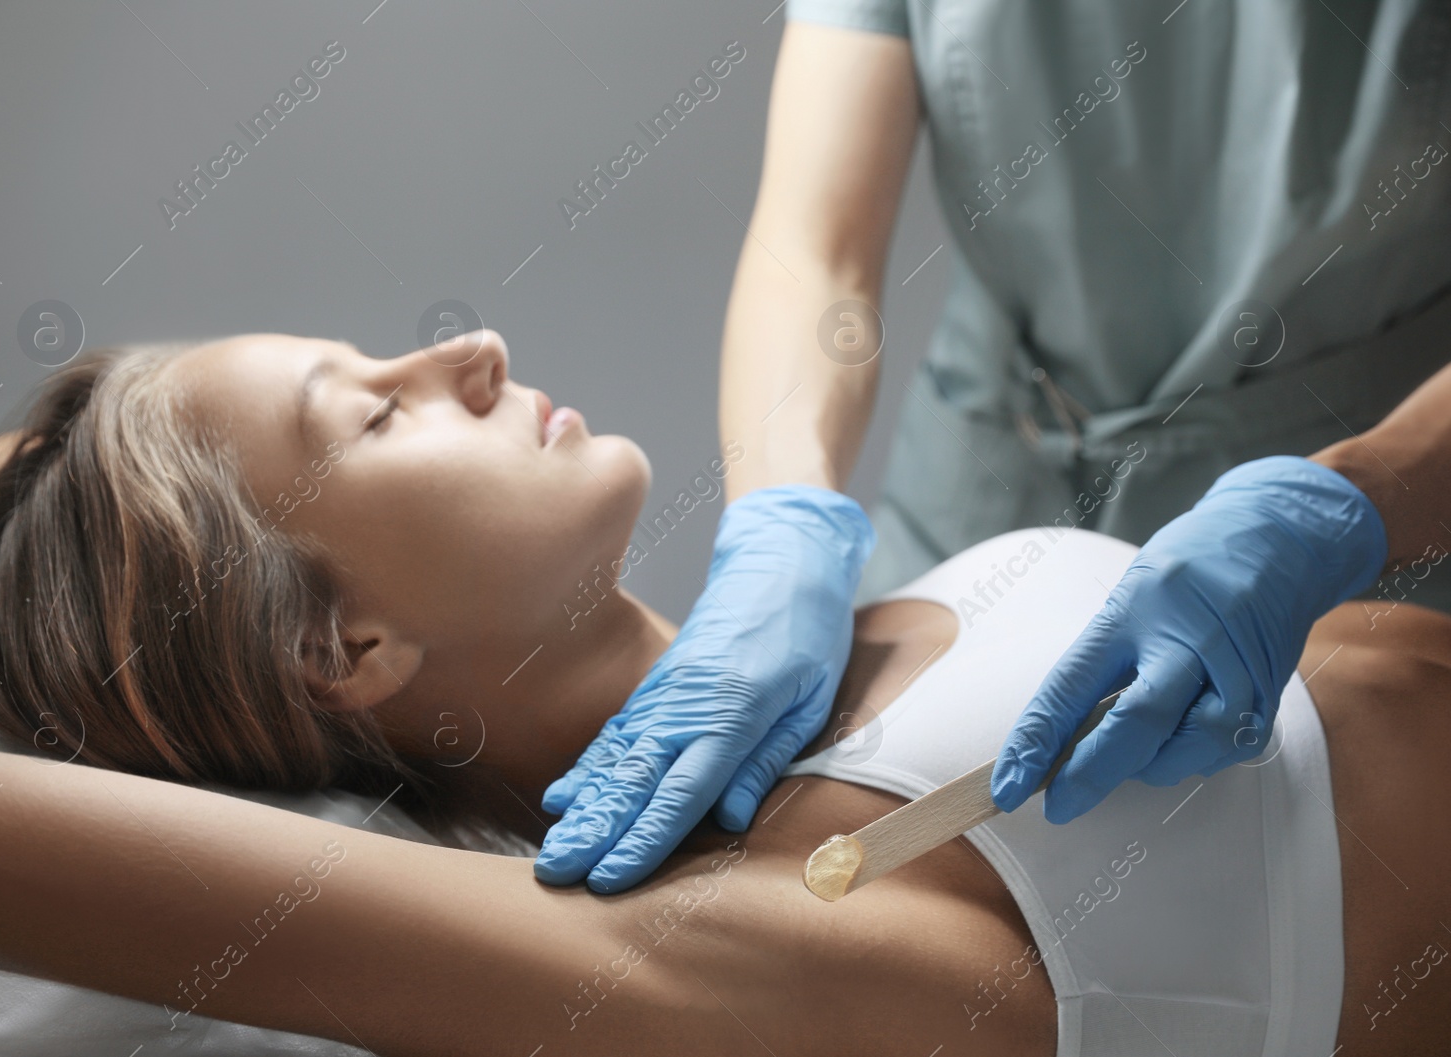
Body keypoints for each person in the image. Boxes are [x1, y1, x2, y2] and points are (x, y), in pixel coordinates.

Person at [0, 330, 1451, 1057]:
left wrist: (1363, 489)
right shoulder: (699, 960)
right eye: (374, 410)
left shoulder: (842, 623)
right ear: (338, 655)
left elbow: (54, 497)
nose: (467, 348)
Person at [533, 3, 1451, 891]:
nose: (471, 357)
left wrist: (1345, 502)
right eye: (380, 416)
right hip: (984, 482)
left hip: (1373, 513)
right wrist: (783, 517)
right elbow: (818, 249)